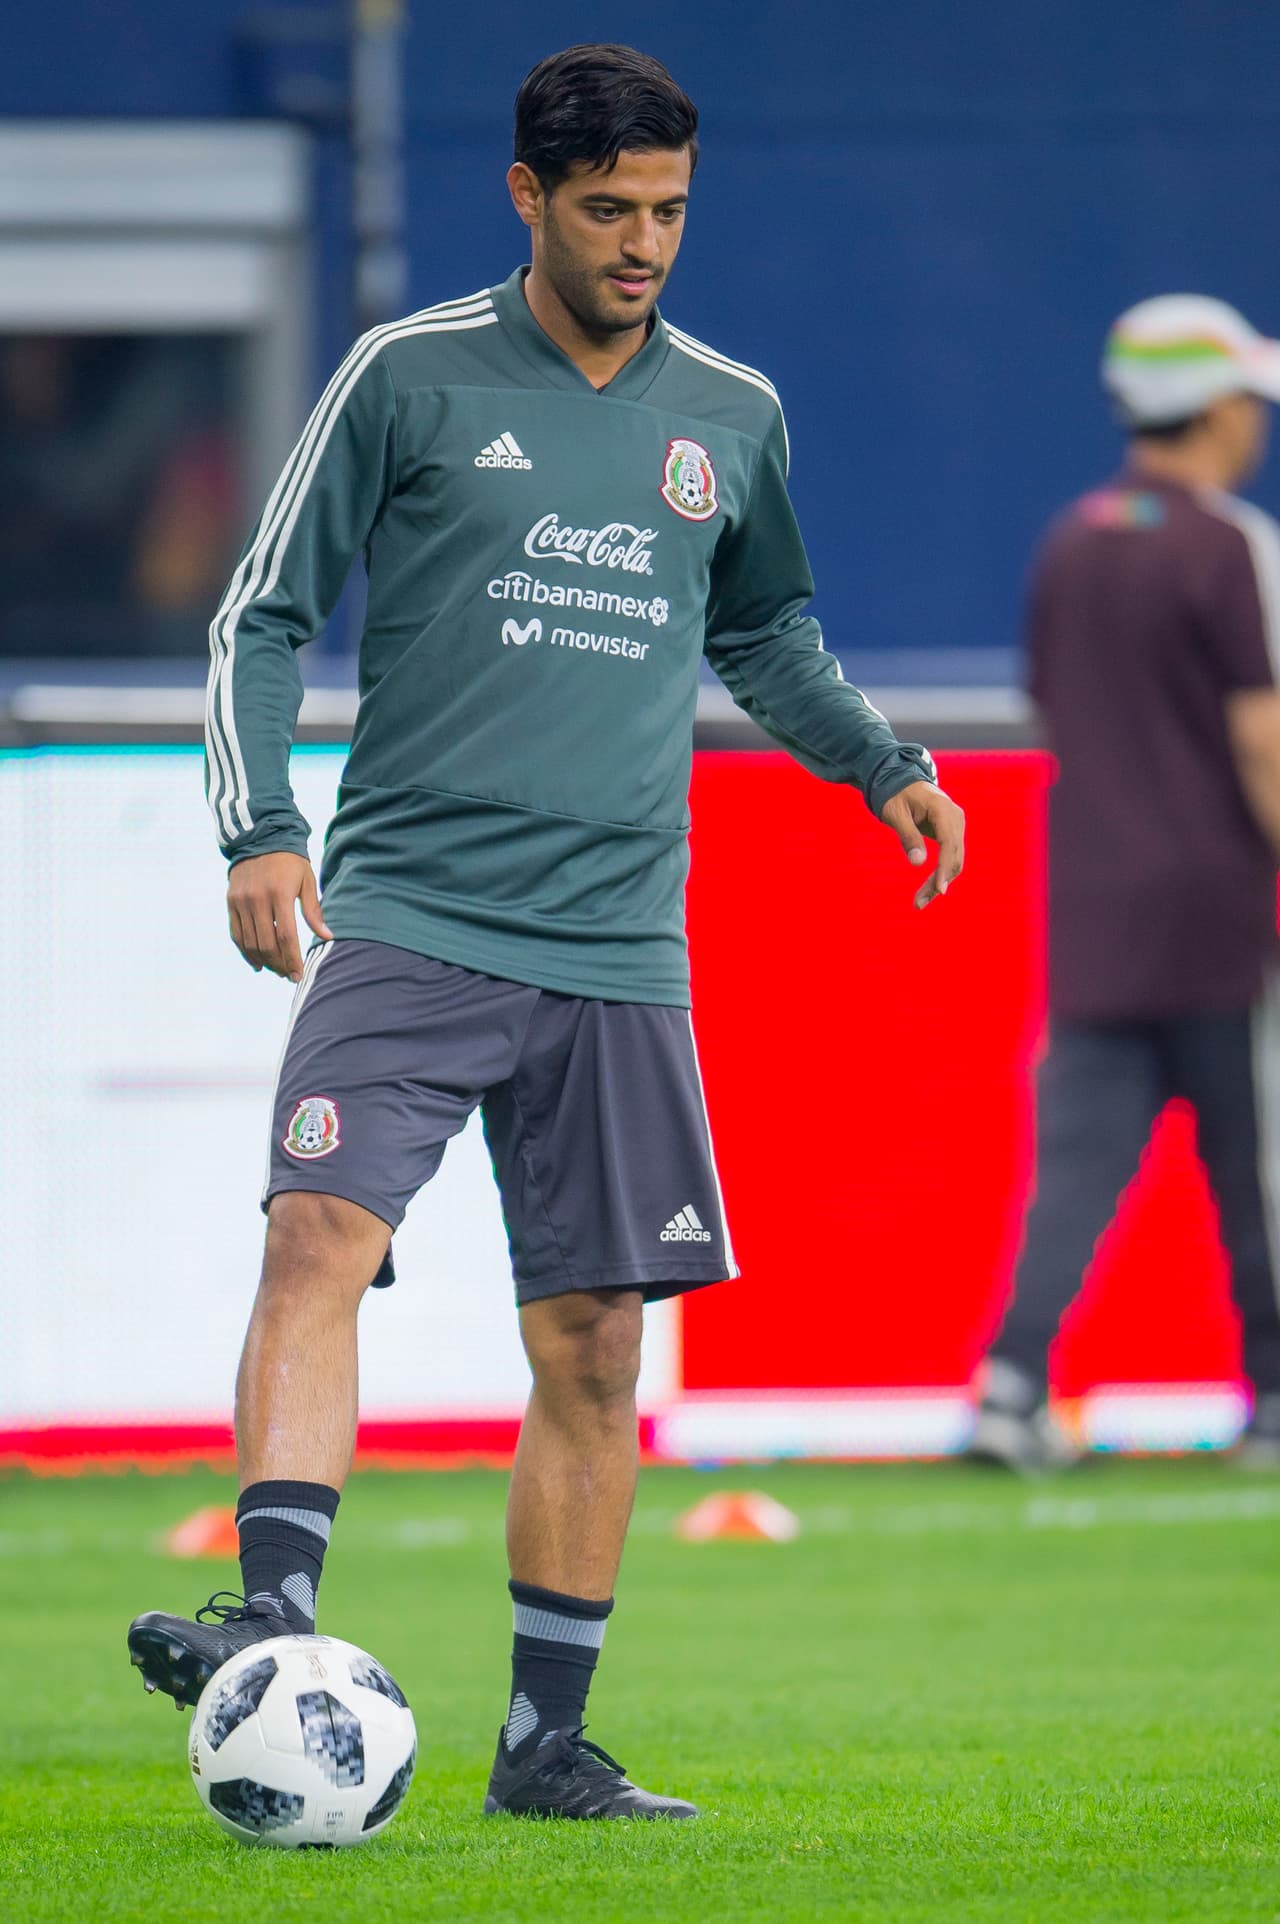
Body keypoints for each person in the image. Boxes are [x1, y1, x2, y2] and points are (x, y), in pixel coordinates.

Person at [128, 43, 964, 1817]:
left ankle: (545, 1744)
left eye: (668, 208)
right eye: (609, 210)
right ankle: (271, 1623)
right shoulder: (407, 376)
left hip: (615, 952)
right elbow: (258, 616)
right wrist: (261, 826)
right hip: (413, 916)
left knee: (596, 1340)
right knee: (316, 1231)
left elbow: (769, 637)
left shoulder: (731, 411)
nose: (645, 241)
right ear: (526, 196)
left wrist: (878, 762)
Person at [969, 293, 1280, 1474]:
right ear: (1207, 402)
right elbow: (1260, 739)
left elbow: (1054, 707)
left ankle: (1009, 1387)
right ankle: (1272, 1406)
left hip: (1095, 913)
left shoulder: (1072, 540)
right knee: (1252, 1166)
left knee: (1076, 1174)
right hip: (1220, 912)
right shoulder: (1226, 541)